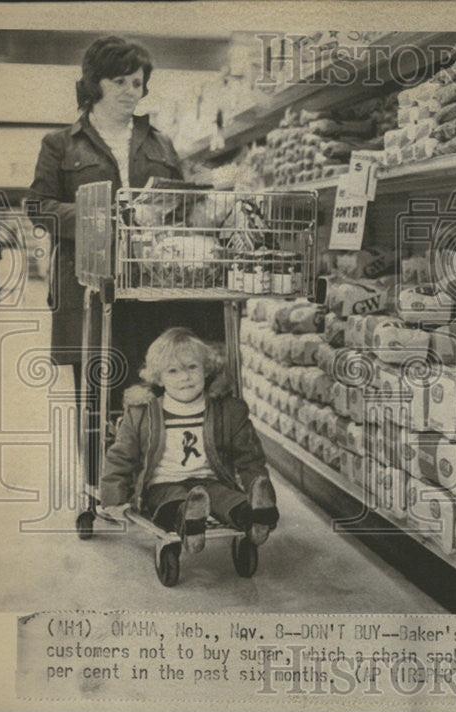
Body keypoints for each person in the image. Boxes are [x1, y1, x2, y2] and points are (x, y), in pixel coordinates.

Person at [27, 36, 222, 483]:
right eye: (120, 81)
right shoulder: (60, 144)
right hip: (91, 289)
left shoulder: (161, 141)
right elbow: (38, 206)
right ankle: (103, 485)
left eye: (138, 82)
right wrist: (99, 216)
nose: (132, 91)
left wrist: (195, 202)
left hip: (153, 286)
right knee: (101, 392)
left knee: (159, 384)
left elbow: (181, 204)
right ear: (95, 83)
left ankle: (161, 483)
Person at [100, 327, 279, 552]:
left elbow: (249, 456)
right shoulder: (143, 413)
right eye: (173, 371)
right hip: (162, 484)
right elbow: (121, 456)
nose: (184, 377)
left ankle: (254, 516)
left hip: (210, 481)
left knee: (227, 499)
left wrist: (258, 488)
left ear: (206, 370)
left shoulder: (227, 411)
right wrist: (114, 498)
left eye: (192, 367)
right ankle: (188, 521)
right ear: (159, 378)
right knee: (171, 504)